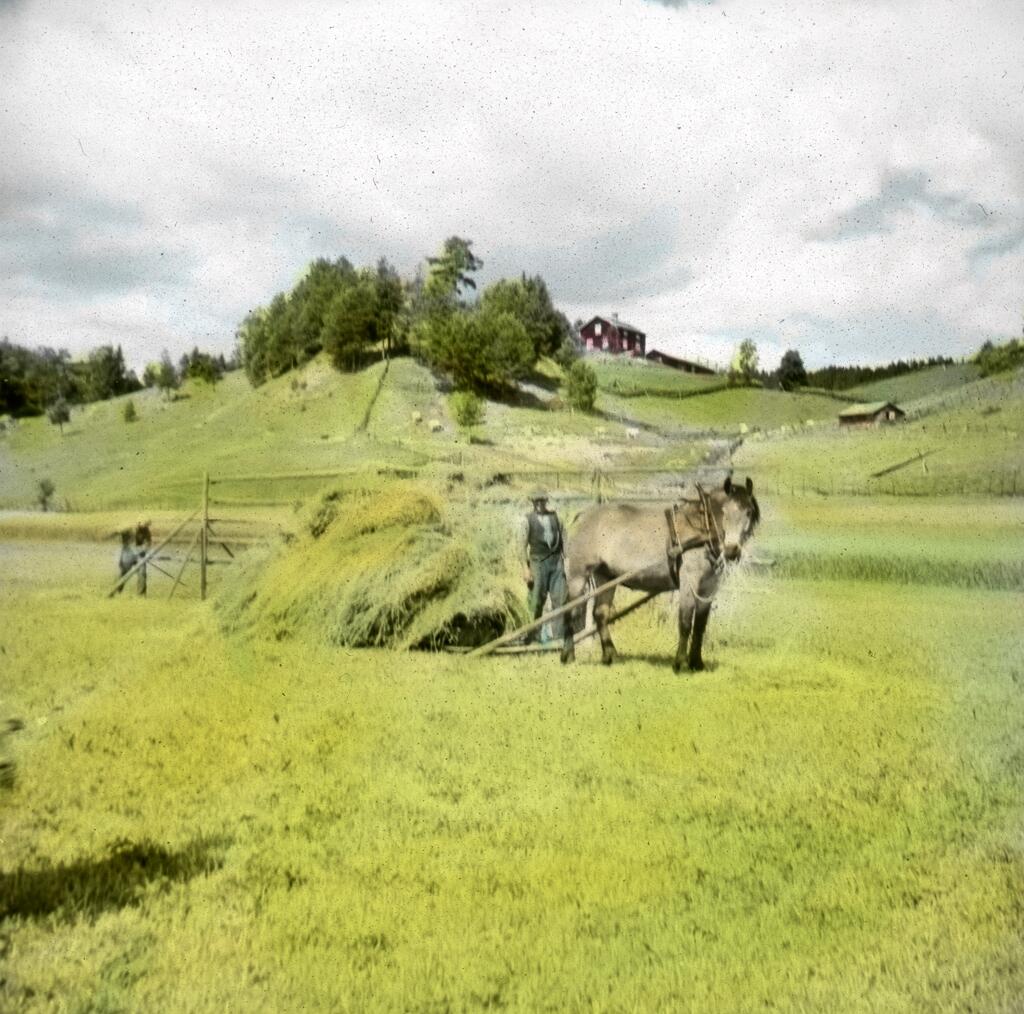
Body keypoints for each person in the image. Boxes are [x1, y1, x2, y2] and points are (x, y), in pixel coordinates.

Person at [522, 491, 568, 644]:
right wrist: (525, 568)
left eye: (542, 501)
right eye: (536, 501)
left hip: (556, 563)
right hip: (538, 563)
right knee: (536, 601)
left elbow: (565, 540)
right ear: (532, 503)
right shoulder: (527, 520)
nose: (539, 504)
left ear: (546, 501)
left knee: (560, 599)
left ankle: (559, 637)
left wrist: (567, 562)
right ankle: (533, 637)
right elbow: (521, 547)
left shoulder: (556, 517)